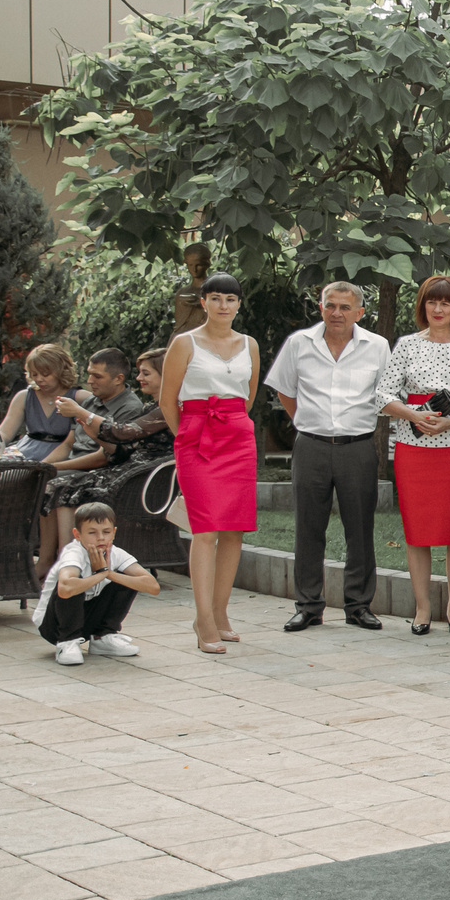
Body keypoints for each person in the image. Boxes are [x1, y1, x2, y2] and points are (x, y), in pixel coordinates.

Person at [266, 281, 391, 632]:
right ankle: (308, 606)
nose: (337, 313)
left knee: (360, 528)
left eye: (345, 307)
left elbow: (388, 394)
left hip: (358, 447)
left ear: (359, 313)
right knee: (308, 528)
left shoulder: (377, 347)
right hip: (311, 446)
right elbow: (285, 391)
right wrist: (310, 423)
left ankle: (358, 605)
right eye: (330, 305)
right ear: (320, 307)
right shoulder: (299, 344)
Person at [375, 275, 450, 636]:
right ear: (422, 306)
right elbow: (383, 394)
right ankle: (422, 608)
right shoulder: (407, 345)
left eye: (445, 303)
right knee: (418, 531)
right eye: (431, 302)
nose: (438, 309)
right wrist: (414, 415)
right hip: (414, 448)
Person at [160, 273, 262, 655]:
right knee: (205, 530)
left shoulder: (249, 344)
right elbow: (168, 401)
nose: (223, 305)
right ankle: (202, 619)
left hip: (237, 437)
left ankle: (220, 613)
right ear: (203, 302)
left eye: (230, 299)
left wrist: (231, 427)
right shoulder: (184, 344)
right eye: (215, 298)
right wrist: (187, 435)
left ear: (238, 304)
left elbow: (247, 398)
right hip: (196, 438)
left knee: (234, 529)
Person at [40, 348, 157, 555]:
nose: (90, 380)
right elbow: (68, 443)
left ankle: (61, 559)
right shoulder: (91, 401)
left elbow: (106, 456)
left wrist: (54, 467)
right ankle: (45, 556)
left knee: (52, 484)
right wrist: (42, 465)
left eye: (97, 376)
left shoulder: (131, 407)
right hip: (76, 464)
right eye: (89, 373)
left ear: (118, 379)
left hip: (99, 471)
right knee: (35, 478)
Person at [34, 500, 162, 665]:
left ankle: (102, 636)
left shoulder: (116, 553)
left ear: (114, 533)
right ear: (77, 534)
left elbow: (153, 587)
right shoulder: (73, 553)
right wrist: (99, 575)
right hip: (54, 626)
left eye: (106, 532)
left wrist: (108, 573)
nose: (100, 538)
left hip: (86, 620)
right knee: (75, 582)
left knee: (127, 578)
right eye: (92, 532)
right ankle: (67, 642)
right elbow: (65, 589)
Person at [0, 343, 79, 463]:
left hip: (61, 457)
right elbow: (5, 433)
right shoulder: (24, 396)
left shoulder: (79, 397)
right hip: (25, 452)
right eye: (34, 374)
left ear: (61, 370)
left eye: (45, 374)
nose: (39, 379)